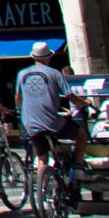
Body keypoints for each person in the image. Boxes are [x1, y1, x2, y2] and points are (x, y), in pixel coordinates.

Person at [14, 41, 76, 186]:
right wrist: (84, 103)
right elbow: (70, 96)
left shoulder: (22, 74)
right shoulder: (55, 73)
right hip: (52, 122)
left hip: (31, 123)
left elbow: (18, 98)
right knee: (80, 133)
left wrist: (22, 110)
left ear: (33, 57)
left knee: (42, 157)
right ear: (49, 57)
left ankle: (42, 190)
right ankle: (78, 166)